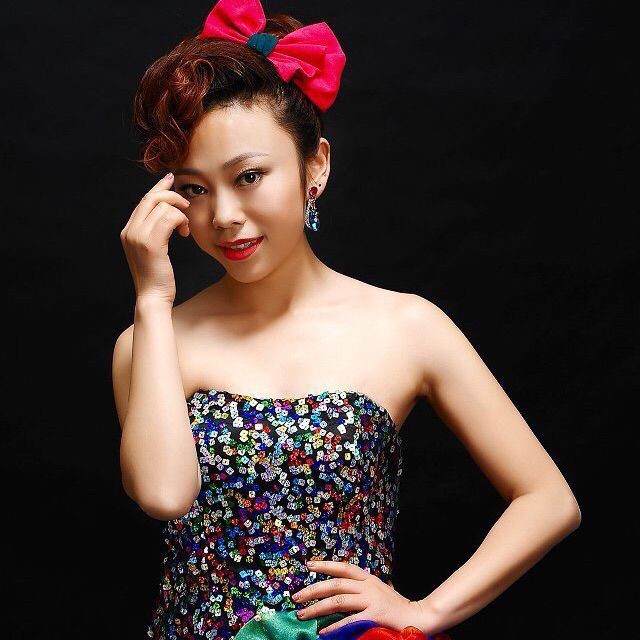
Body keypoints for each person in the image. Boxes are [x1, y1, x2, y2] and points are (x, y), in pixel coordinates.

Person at [111, 1, 581, 639]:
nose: (223, 215)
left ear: (316, 167)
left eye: (249, 176)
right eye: (194, 188)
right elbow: (163, 495)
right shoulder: (149, 341)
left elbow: (549, 499)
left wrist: (426, 612)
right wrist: (151, 300)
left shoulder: (407, 327)